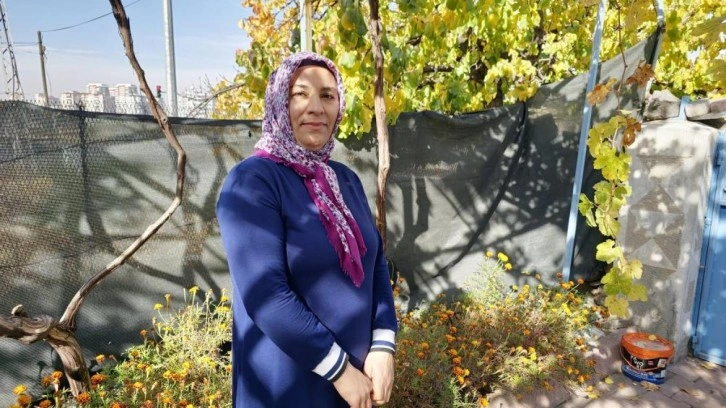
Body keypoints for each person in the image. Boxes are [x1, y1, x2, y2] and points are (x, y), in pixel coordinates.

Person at [216, 51, 398, 408]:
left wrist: (382, 343)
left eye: (328, 96)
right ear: (279, 103)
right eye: (300, 94)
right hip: (286, 387)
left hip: (357, 385)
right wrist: (339, 370)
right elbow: (266, 293)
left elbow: (375, 262)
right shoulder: (252, 181)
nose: (316, 108)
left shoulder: (343, 180)